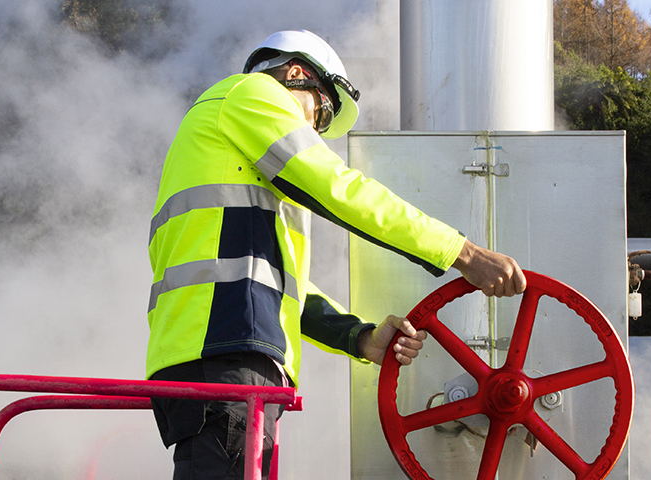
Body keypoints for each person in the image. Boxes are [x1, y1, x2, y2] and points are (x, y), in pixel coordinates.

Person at [146, 30, 526, 479]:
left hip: (215, 353)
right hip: (227, 358)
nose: (315, 133)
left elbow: (280, 286)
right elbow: (341, 189)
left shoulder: (229, 163)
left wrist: (360, 338)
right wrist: (462, 252)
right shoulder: (253, 94)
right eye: (321, 113)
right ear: (295, 73)